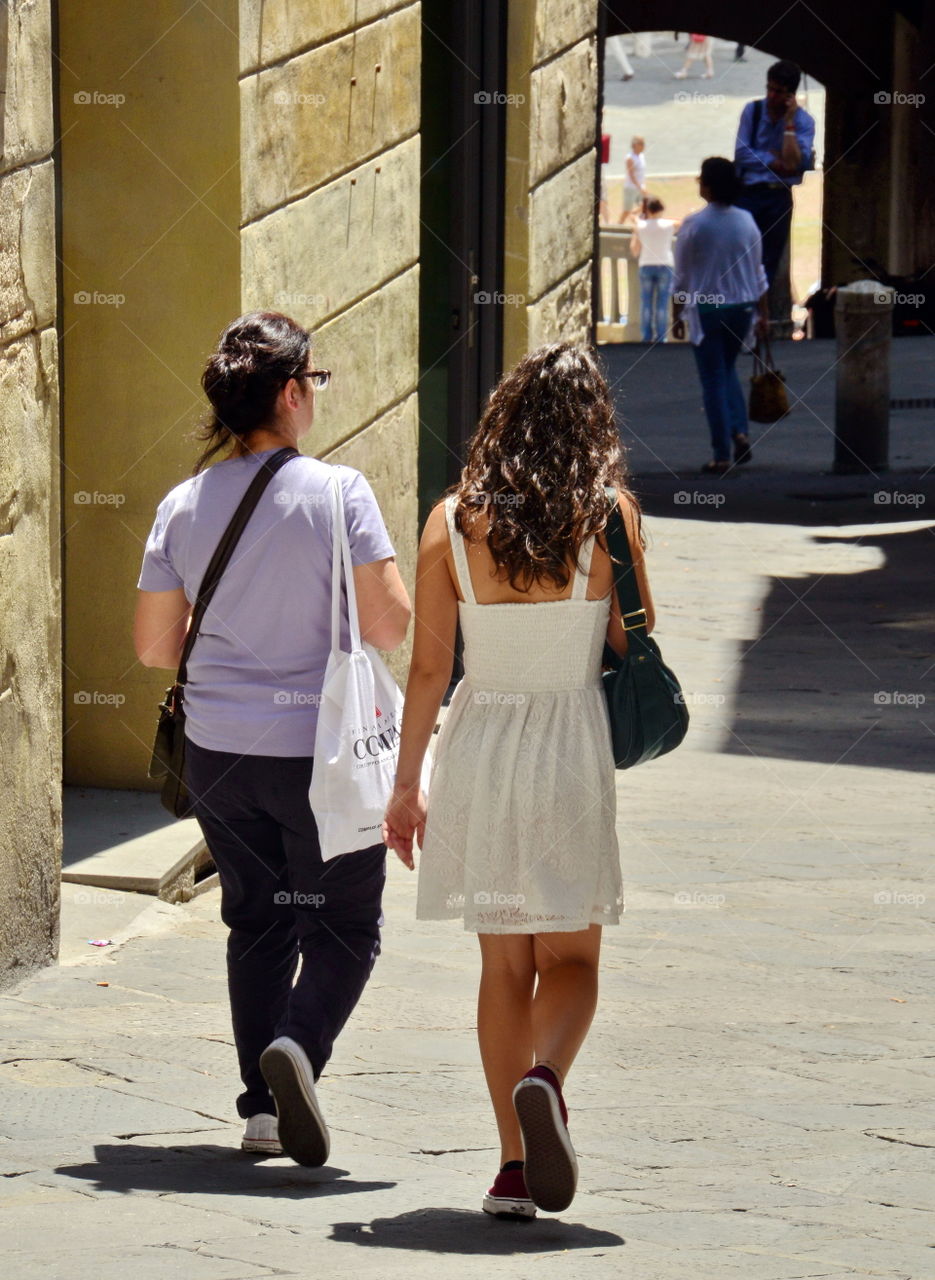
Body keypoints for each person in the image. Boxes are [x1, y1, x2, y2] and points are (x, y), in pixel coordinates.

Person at [382, 344, 655, 1219]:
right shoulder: (608, 515)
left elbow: (427, 670)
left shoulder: (450, 520)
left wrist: (405, 787)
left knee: (504, 965)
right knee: (571, 955)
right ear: (591, 430)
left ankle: (510, 1168)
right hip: (568, 746)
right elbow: (631, 638)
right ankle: (546, 1077)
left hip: (480, 746)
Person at [134, 311, 411, 1165]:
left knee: (255, 920)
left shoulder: (181, 504)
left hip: (220, 753)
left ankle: (259, 1110)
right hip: (322, 756)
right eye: (315, 382)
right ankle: (297, 1046)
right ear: (291, 394)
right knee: (345, 925)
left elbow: (151, 648)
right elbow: (391, 623)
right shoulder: (341, 494)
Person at [672, 157, 769, 473]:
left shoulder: (695, 225)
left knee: (712, 379)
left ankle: (721, 453)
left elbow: (682, 276)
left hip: (708, 309)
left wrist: (676, 314)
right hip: (743, 308)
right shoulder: (746, 222)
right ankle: (739, 430)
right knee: (726, 371)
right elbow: (758, 274)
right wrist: (762, 314)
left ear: (709, 186)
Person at [734, 59, 816, 288]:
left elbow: (792, 163)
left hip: (778, 197)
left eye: (778, 92)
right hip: (748, 194)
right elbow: (741, 153)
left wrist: (789, 124)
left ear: (791, 95)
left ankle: (762, 313)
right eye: (769, 88)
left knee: (769, 260)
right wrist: (773, 160)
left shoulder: (803, 121)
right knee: (742, 256)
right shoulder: (753, 111)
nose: (771, 96)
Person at [629, 196, 678, 343]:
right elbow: (684, 222)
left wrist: (639, 213)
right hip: (665, 265)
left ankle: (647, 336)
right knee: (662, 303)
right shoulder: (668, 225)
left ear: (648, 210)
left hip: (646, 264)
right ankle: (662, 336)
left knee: (646, 303)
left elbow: (634, 250)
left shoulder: (641, 226)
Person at [621, 136, 647, 217]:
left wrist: (642, 187)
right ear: (635, 145)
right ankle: (619, 225)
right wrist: (640, 187)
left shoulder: (641, 156)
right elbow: (631, 175)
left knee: (644, 206)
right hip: (631, 188)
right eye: (641, 144)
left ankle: (639, 222)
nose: (644, 146)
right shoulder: (630, 158)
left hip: (640, 187)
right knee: (626, 211)